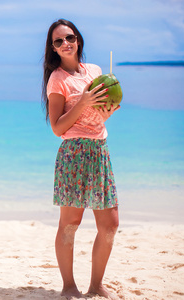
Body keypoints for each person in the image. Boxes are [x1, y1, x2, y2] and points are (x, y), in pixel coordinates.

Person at [42, 19, 120, 300]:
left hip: (99, 150)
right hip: (73, 153)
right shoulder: (57, 79)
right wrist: (84, 102)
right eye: (58, 41)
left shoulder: (96, 71)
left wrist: (105, 111)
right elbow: (57, 127)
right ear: (53, 48)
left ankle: (96, 285)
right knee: (70, 224)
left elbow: (99, 113)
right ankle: (68, 286)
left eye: (69, 38)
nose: (66, 44)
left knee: (110, 224)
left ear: (78, 40)